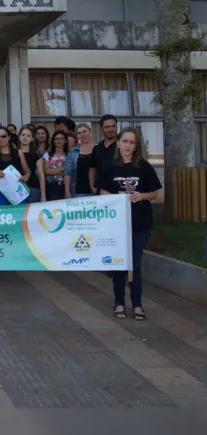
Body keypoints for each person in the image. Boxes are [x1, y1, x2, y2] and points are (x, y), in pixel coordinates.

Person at [99, 128, 161, 322]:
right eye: (124, 141)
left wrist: (141, 195)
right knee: (119, 264)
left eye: (131, 142)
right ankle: (119, 302)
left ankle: (137, 304)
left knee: (134, 263)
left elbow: (155, 193)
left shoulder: (143, 167)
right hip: (116, 224)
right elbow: (102, 192)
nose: (127, 145)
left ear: (136, 146)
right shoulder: (109, 166)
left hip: (140, 223)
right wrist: (117, 198)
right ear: (118, 143)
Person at [0, 127, 31, 205]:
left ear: (9, 137)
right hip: (0, 192)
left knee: (21, 215)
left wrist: (26, 176)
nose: (1, 138)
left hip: (18, 191)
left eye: (3, 136)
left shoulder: (19, 153)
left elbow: (27, 171)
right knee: (3, 214)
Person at [64, 123, 97, 199]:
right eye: (79, 133)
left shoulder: (99, 149)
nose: (82, 135)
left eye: (84, 131)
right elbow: (67, 172)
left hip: (97, 193)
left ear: (90, 131)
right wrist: (67, 191)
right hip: (78, 193)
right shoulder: (72, 152)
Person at [18, 126, 46, 203]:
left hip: (32, 189)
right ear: (19, 137)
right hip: (16, 189)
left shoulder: (36, 154)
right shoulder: (13, 153)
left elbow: (41, 175)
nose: (25, 137)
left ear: (32, 139)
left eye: (28, 136)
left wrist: (43, 196)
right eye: (23, 135)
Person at [94, 114, 119, 188]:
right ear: (102, 128)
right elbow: (92, 168)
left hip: (119, 190)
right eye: (107, 127)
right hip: (100, 191)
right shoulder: (97, 148)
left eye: (113, 126)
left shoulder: (123, 146)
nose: (111, 129)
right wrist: (93, 187)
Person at [43, 131, 69, 201]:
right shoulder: (47, 155)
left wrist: (54, 171)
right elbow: (47, 171)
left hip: (67, 186)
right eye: (56, 139)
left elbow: (70, 171)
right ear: (53, 141)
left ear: (65, 141)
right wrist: (63, 168)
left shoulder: (69, 154)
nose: (59, 140)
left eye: (61, 138)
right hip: (51, 187)